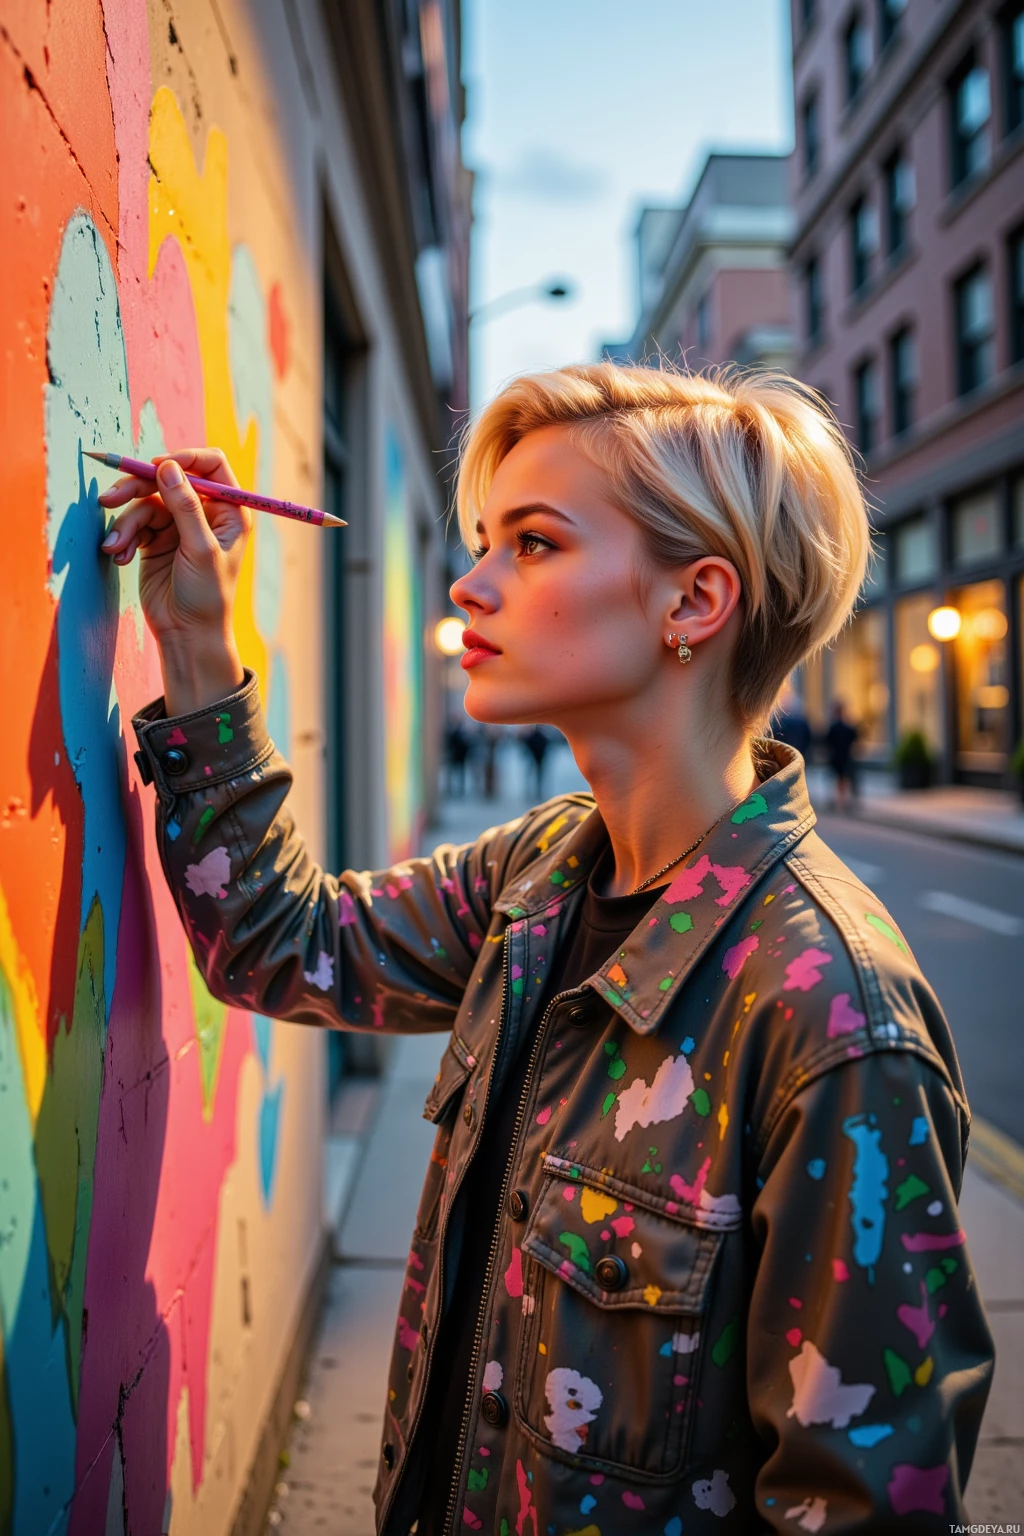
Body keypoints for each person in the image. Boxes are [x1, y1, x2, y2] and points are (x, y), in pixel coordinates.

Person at [100, 364, 992, 1534]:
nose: (469, 585)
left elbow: (861, 1509)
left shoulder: (829, 1016)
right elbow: (281, 942)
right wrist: (194, 643)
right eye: (486, 542)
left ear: (693, 603)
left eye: (532, 543)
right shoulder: (537, 877)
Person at [825, 698, 859, 812]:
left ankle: (840, 800)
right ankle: (843, 800)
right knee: (844, 778)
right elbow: (855, 737)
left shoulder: (833, 727)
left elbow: (826, 741)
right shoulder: (847, 727)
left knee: (839, 778)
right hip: (845, 756)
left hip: (836, 756)